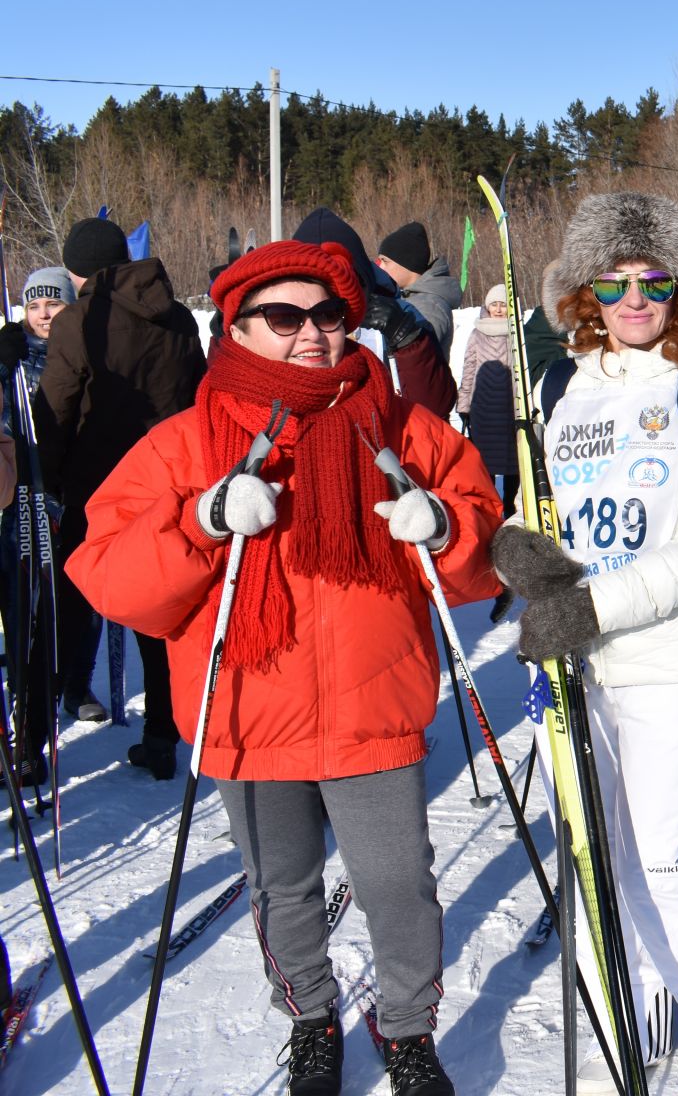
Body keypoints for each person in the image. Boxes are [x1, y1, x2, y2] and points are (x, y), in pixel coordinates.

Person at [68, 240, 501, 1096]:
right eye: (284, 316)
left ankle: (407, 1029)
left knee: (399, 890)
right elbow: (108, 573)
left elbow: (482, 535)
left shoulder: (400, 428)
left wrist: (446, 526)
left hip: (373, 708)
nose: (312, 332)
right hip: (245, 715)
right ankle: (310, 1016)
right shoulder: (184, 443)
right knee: (283, 893)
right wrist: (203, 518)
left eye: (329, 313)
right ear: (237, 328)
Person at [487, 191, 678, 1096]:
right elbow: (537, 516)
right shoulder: (558, 389)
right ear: (584, 293)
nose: (634, 299)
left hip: (669, 658)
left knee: (661, 857)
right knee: (598, 854)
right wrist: (516, 552)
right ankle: (638, 1008)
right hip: (577, 668)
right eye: (613, 282)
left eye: (653, 280)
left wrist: (596, 607)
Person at [33, 218, 206, 780]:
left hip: (97, 490)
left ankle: (31, 745)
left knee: (64, 612)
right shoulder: (178, 317)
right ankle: (161, 735)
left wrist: (49, 484)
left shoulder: (80, 320)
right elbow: (196, 398)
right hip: (164, 486)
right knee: (155, 614)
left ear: (77, 270)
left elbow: (56, 411)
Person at [0, 267, 84, 781]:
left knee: (43, 634)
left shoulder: (78, 358)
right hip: (9, 511)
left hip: (54, 510)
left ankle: (33, 740)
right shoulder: (10, 360)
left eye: (53, 304)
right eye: (34, 306)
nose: (44, 314)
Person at [292, 210, 456, 418]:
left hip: (383, 437)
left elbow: (434, 406)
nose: (328, 295)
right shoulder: (283, 316)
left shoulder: (399, 314)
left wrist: (405, 338)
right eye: (311, 281)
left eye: (345, 280)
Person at [455, 284, 518, 511]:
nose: (499, 309)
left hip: (509, 410)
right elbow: (469, 368)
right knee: (485, 466)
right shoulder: (477, 333)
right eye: (495, 304)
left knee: (514, 464)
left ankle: (511, 507)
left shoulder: (516, 332)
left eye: (503, 305)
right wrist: (463, 406)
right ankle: (489, 508)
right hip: (483, 410)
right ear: (487, 306)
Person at [376, 222, 460, 357]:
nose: (381, 268)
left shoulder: (429, 307)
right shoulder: (411, 298)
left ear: (407, 263)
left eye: (385, 261)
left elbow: (417, 357)